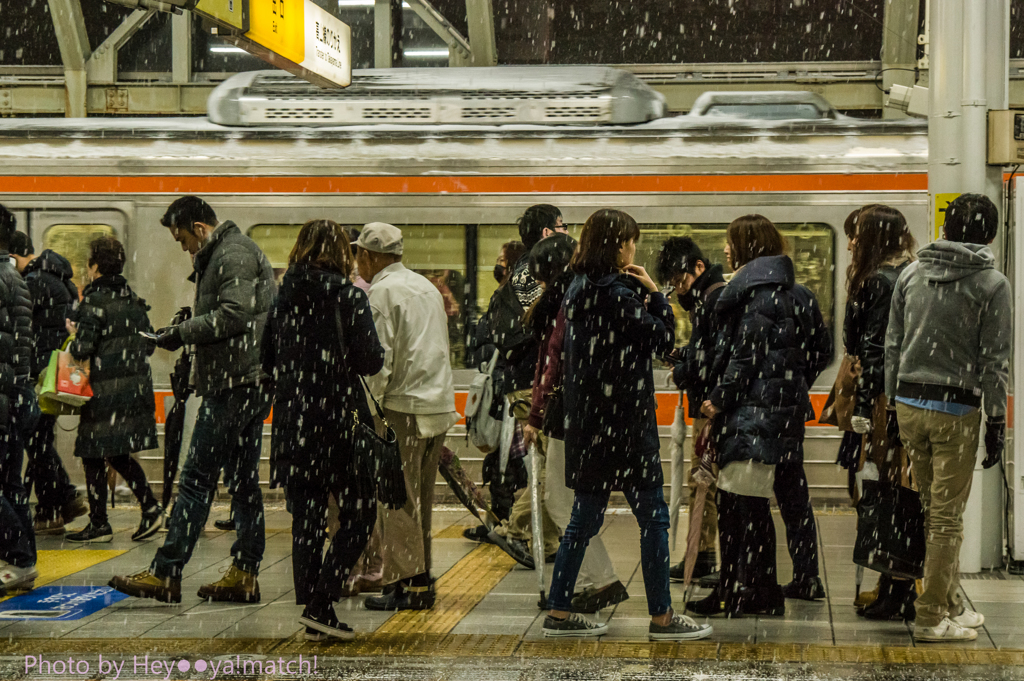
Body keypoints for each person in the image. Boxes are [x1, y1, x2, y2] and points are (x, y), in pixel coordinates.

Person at [542, 208, 710, 641]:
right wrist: (656, 295)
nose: (634, 248)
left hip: (590, 426)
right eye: (630, 240)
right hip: (627, 426)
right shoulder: (618, 293)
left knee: (581, 521)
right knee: (653, 519)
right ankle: (662, 619)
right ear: (619, 245)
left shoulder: (577, 289)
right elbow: (662, 339)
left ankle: (558, 611)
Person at [110, 195, 275, 604]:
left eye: (183, 239)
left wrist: (178, 334)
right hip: (245, 380)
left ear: (200, 228)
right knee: (242, 481)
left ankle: (166, 573)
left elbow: (235, 314)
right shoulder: (231, 252)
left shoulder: (232, 252)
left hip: (235, 383)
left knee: (198, 479)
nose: (184, 248)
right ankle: (244, 572)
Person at [689, 215, 830, 619]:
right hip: (783, 418)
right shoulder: (799, 294)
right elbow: (819, 351)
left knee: (739, 507)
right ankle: (776, 584)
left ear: (748, 247)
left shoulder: (754, 295)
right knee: (784, 502)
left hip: (753, 418)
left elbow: (744, 357)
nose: (726, 249)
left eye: (731, 242)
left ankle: (744, 592)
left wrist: (718, 399)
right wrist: (789, 384)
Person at [885, 193, 1011, 643]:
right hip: (955, 410)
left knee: (929, 510)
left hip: (908, 405)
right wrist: (997, 421)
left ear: (946, 225)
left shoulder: (912, 273)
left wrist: (888, 402)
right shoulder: (992, 283)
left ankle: (951, 600)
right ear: (989, 234)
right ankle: (930, 615)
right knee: (947, 518)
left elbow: (893, 345)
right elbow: (995, 360)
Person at [262, 219, 384, 641]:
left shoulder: (283, 297)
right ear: (342, 254)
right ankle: (321, 602)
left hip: (294, 421)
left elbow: (266, 360)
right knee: (362, 510)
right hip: (338, 421)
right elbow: (370, 362)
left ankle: (313, 607)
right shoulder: (348, 297)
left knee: (308, 520)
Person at [522, 232, 629, 614]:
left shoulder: (566, 302)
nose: (536, 282)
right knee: (571, 503)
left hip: (569, 416)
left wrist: (535, 414)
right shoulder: (579, 294)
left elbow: (551, 364)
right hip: (579, 414)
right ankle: (589, 581)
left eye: (538, 274)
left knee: (562, 501)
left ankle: (601, 580)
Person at [356, 222, 459, 611]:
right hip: (438, 404)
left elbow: (380, 359)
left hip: (402, 407)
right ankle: (420, 578)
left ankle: (406, 585)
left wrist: (372, 410)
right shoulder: (426, 286)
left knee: (396, 499)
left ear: (368, 255)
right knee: (420, 498)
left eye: (359, 254)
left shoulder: (381, 292)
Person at [841, 205, 917, 621]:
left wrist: (866, 411)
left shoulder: (878, 282)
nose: (851, 242)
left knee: (886, 498)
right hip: (901, 399)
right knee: (898, 497)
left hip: (883, 404)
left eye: (858, 235)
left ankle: (895, 586)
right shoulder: (907, 271)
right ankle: (895, 583)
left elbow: (874, 350)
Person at [62, 237, 163, 544]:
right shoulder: (132, 299)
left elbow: (82, 350)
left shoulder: (93, 302)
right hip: (132, 389)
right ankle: (149, 508)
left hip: (105, 392)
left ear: (94, 267)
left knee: (93, 454)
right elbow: (148, 344)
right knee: (117, 453)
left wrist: (75, 333)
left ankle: (101, 523)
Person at [487, 205, 567, 567]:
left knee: (548, 461)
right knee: (550, 464)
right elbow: (542, 329)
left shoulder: (526, 271)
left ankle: (545, 541)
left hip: (528, 380)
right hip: (529, 382)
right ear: (549, 233)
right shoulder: (530, 274)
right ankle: (518, 529)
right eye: (563, 226)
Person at [656, 236, 727, 585]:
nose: (679, 289)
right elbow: (705, 351)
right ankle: (703, 553)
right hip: (709, 403)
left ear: (698, 267)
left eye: (681, 280)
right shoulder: (709, 295)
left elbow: (710, 358)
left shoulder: (711, 299)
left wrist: (684, 369)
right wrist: (684, 357)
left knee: (703, 482)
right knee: (705, 482)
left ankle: (701, 556)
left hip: (709, 409)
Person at [9, 231, 87, 534]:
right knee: (39, 441)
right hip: (51, 374)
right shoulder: (58, 279)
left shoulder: (35, 282)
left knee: (36, 441)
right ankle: (54, 506)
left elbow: (24, 329)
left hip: (41, 376)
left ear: (14, 257)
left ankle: (59, 502)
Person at [463, 239, 529, 543]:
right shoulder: (506, 296)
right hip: (505, 390)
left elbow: (496, 341)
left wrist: (487, 347)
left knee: (508, 462)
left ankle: (509, 523)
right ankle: (505, 521)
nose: (497, 265)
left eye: (503, 259)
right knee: (503, 461)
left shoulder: (512, 298)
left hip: (509, 394)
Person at [0, 207, 39, 595]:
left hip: (3, 396)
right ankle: (23, 563)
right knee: (11, 484)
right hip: (14, 395)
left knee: (8, 484)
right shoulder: (13, 276)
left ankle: (20, 556)